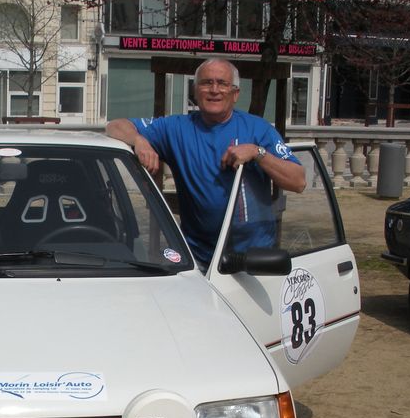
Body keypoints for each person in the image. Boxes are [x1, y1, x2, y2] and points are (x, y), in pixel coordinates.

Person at [106, 57, 305, 271]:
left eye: (222, 83)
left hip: (254, 259)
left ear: (235, 93)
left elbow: (298, 181)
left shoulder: (258, 129)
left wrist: (257, 153)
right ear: (195, 90)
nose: (214, 90)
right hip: (199, 260)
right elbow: (115, 126)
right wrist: (139, 141)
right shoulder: (176, 128)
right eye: (206, 83)